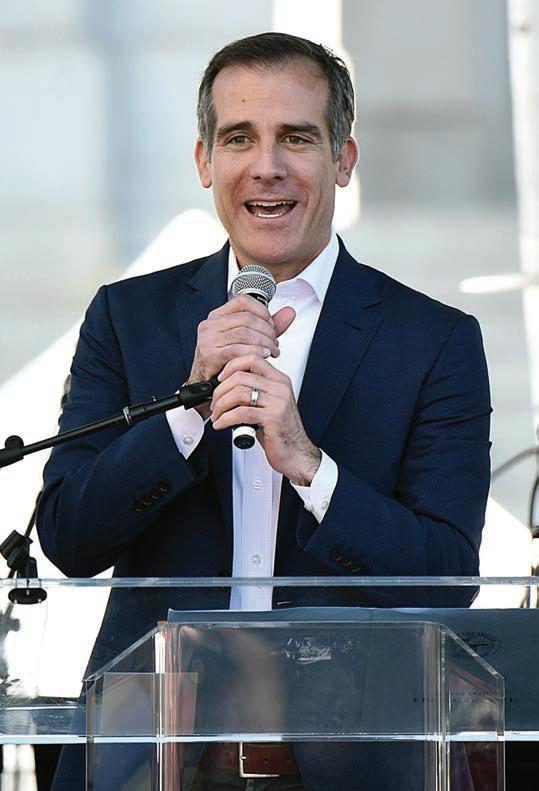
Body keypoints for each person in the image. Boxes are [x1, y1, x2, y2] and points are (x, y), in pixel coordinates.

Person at [37, 32, 491, 791]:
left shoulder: (433, 339)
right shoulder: (127, 317)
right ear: (204, 160)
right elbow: (67, 538)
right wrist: (186, 412)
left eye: (297, 138)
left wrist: (310, 467)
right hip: (156, 753)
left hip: (357, 758)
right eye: (239, 138)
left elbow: (447, 578)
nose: (267, 166)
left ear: (343, 159)